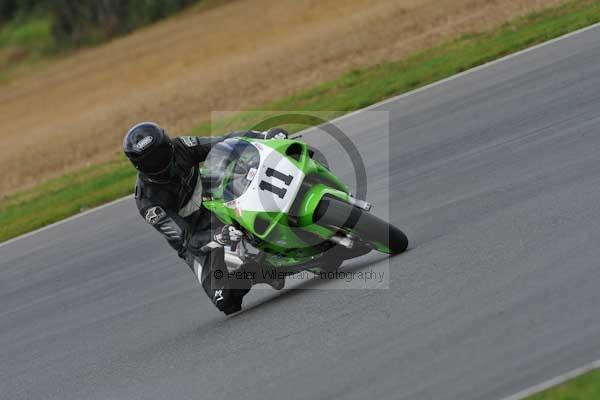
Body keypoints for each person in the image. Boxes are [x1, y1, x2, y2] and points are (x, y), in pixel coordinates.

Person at [123, 122, 288, 314]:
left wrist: (264, 136)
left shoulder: (182, 146)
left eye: (160, 153)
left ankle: (287, 216)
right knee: (225, 300)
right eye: (151, 161)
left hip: (217, 200)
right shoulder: (147, 201)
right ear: (139, 166)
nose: (160, 162)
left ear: (167, 143)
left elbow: (225, 142)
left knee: (242, 167)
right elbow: (187, 239)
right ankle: (260, 270)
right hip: (200, 237)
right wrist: (218, 236)